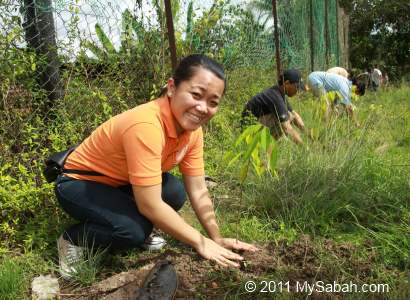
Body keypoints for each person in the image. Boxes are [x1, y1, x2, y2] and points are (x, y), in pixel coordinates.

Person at [55, 54, 258, 280]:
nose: (203, 108)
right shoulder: (146, 125)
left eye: (213, 102)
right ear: (172, 88)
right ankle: (73, 239)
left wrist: (216, 238)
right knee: (132, 231)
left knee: (174, 191)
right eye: (196, 95)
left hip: (120, 182)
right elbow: (150, 204)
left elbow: (199, 189)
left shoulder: (192, 131)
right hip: (80, 183)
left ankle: (133, 224)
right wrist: (199, 242)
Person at [241, 69, 308, 146]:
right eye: (297, 87)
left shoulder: (278, 93)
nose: (298, 90)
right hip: (250, 132)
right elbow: (287, 128)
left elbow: (294, 114)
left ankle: (276, 141)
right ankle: (269, 143)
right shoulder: (275, 96)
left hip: (257, 125)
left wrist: (308, 134)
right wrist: (305, 148)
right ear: (287, 83)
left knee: (289, 115)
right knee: (286, 118)